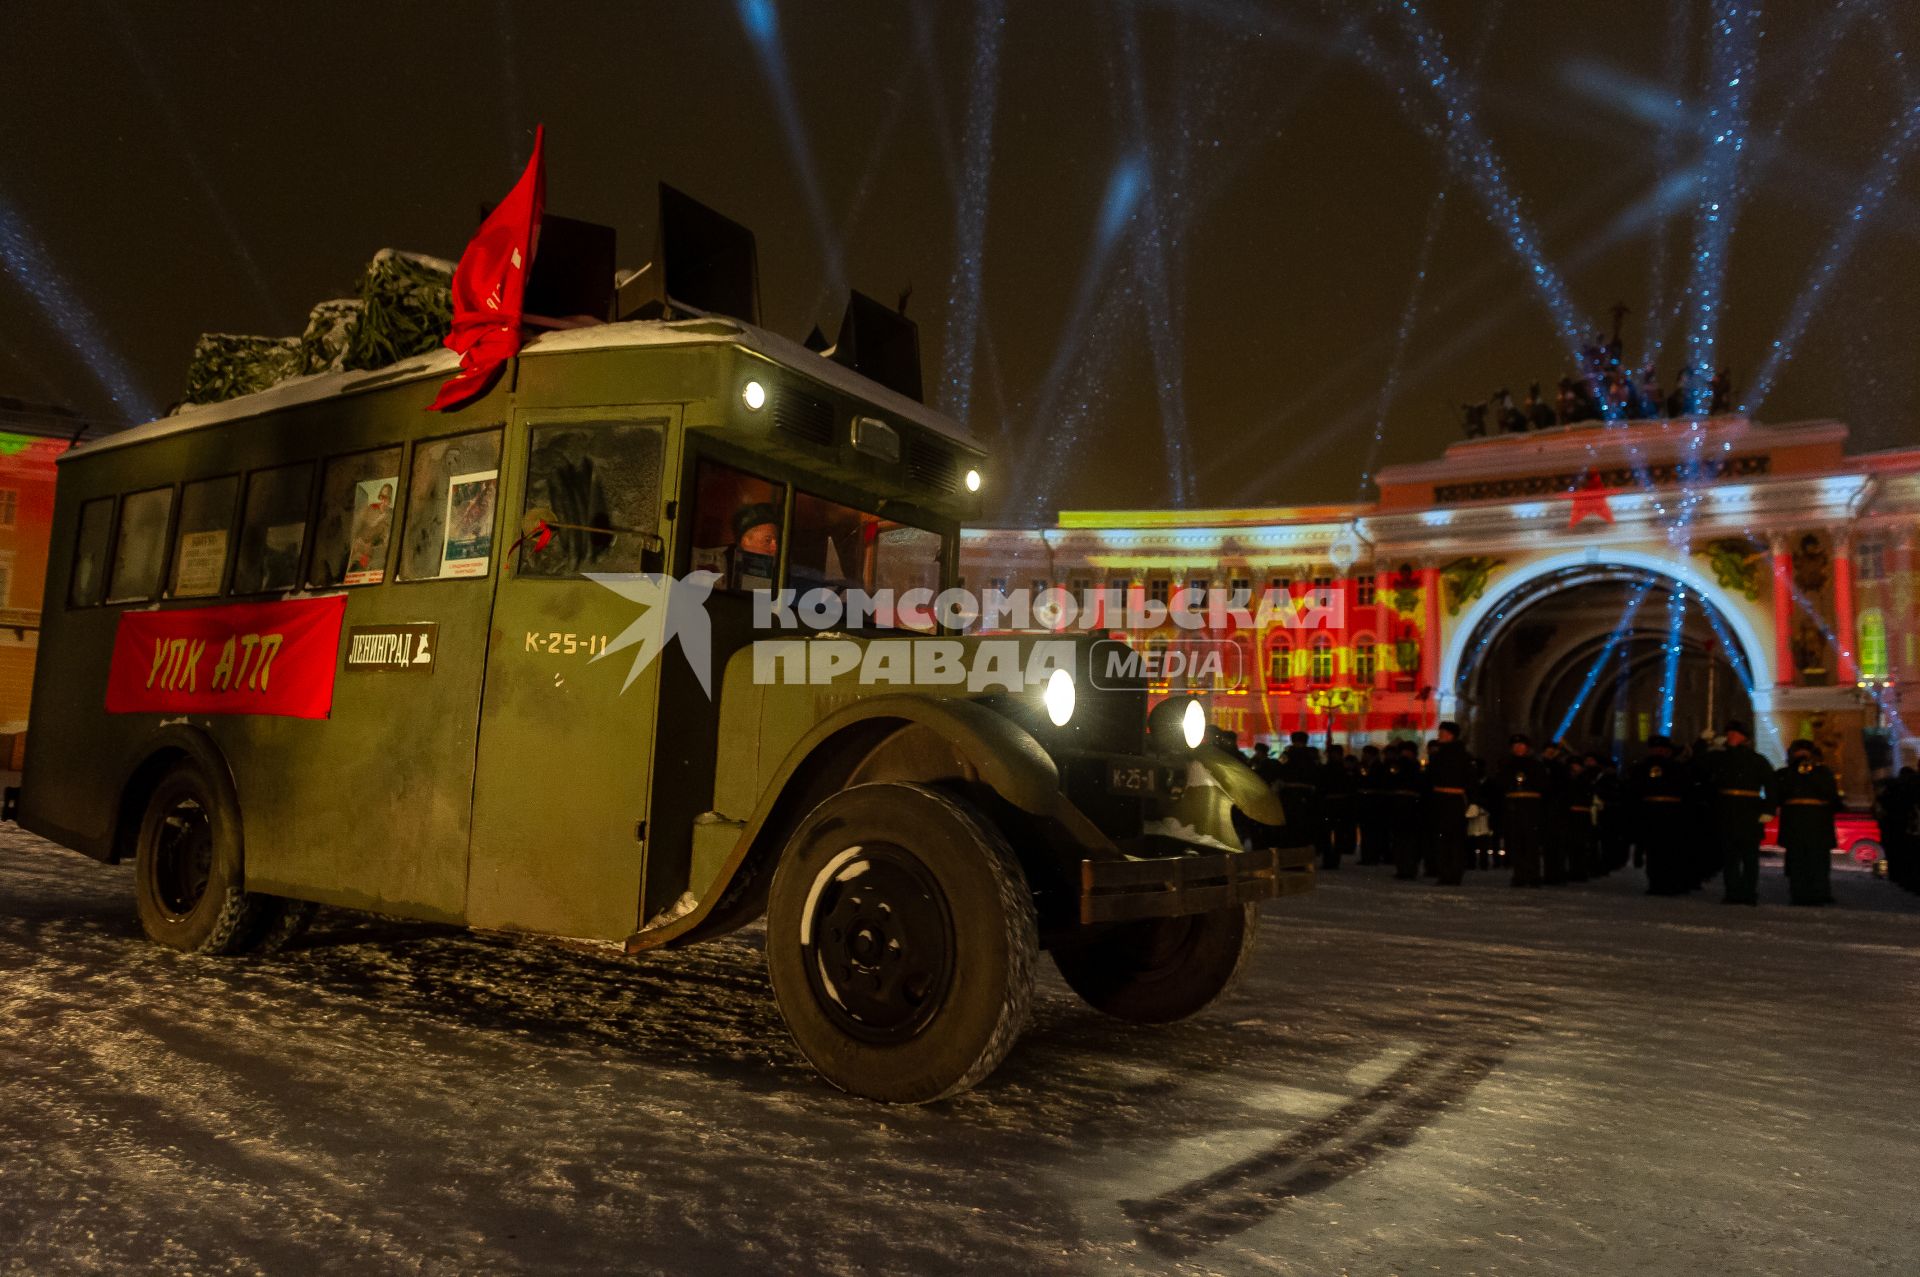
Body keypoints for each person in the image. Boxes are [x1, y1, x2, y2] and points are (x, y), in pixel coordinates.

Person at [1700, 720, 1775, 905]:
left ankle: (1748, 892)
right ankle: (1732, 891)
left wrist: (1768, 809)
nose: (1731, 737)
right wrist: (1704, 745)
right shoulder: (1720, 758)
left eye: (1735, 734)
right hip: (1727, 812)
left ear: (1744, 738)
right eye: (1729, 734)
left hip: (1749, 813)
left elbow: (1772, 786)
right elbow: (1700, 767)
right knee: (1730, 858)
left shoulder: (1757, 760)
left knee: (1750, 858)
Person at [1773, 739, 1838, 906]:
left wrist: (1811, 774)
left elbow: (1830, 795)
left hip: (1818, 824)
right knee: (1797, 862)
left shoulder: (1823, 772)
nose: (1801, 755)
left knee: (1819, 862)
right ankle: (1799, 894)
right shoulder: (1784, 774)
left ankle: (1820, 893)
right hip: (1795, 824)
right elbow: (1778, 795)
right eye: (1798, 752)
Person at [1629, 736, 1691, 895]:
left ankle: (1669, 883)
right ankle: (1656, 883)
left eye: (1662, 749)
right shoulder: (1643, 767)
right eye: (1656, 749)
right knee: (1654, 850)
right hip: (1652, 813)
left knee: (1670, 851)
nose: (1659, 752)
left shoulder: (1677, 767)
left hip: (1672, 814)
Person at [1490, 733, 1550, 886]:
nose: (1518, 748)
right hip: (1513, 807)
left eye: (1521, 745)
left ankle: (1533, 875)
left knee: (1531, 844)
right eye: (1515, 746)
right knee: (1516, 843)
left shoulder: (1536, 765)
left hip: (1530, 808)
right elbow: (1499, 785)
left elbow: (1543, 786)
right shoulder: (1507, 764)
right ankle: (1519, 875)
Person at [1424, 721, 1477, 885]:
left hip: (1453, 801)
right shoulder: (1439, 755)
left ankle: (1452, 873)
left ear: (1451, 735)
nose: (1439, 735)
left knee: (1453, 840)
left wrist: (1473, 801)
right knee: (1444, 839)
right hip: (1442, 800)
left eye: (1443, 732)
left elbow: (1470, 780)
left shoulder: (1461, 756)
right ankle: (1446, 873)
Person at [1876, 767, 1920, 893]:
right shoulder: (1912, 785)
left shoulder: (1894, 786)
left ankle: (1899, 878)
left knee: (1901, 855)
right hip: (1909, 826)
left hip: (1895, 826)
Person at [1388, 740, 1425, 880]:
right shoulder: (1398, 766)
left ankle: (1409, 869)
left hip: (1411, 807)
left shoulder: (1415, 767)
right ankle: (1402, 867)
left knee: (1410, 841)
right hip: (1399, 806)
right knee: (1399, 840)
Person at [1557, 753, 1597, 882]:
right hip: (1569, 815)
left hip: (1581, 815)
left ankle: (1580, 871)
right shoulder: (1566, 780)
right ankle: (1573, 870)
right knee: (1570, 844)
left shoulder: (1585, 779)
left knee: (1580, 845)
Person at [1357, 744, 1390, 865]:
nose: (1365, 756)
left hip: (1375, 803)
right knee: (1365, 831)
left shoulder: (1380, 767)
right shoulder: (1362, 766)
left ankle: (1374, 855)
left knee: (1374, 832)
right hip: (1365, 802)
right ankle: (1366, 855)